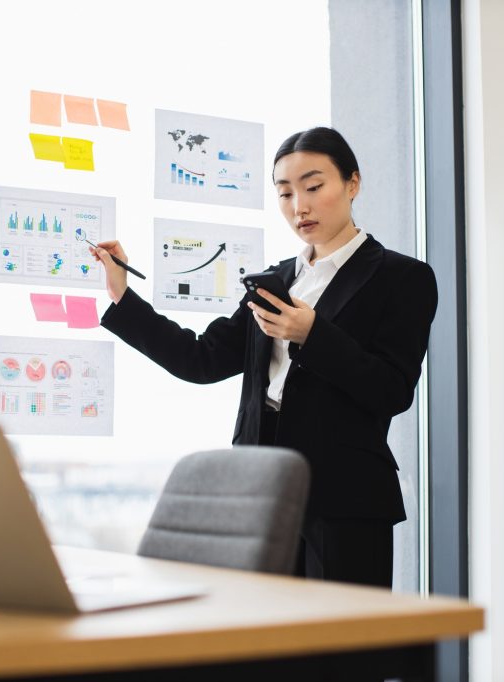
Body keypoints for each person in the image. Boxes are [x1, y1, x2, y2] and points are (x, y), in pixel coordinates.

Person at [90, 127, 437, 588]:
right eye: (285, 193)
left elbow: (392, 389)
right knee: (265, 640)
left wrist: (313, 335)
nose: (300, 207)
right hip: (258, 489)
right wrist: (123, 297)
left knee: (343, 649)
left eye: (314, 187)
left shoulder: (402, 277)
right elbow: (202, 360)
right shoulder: (274, 282)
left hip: (344, 496)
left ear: (352, 183)